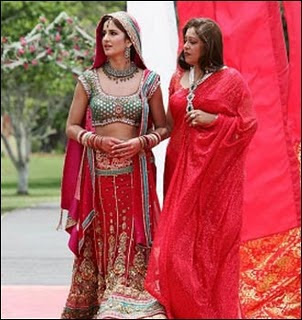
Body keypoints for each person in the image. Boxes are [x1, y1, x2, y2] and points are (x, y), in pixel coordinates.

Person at [145, 17, 258, 319]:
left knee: (208, 249)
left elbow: (248, 125)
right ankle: (185, 310)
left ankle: (209, 312)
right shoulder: (176, 79)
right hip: (179, 169)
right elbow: (169, 125)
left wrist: (216, 121)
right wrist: (140, 142)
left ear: (209, 46)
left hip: (214, 177)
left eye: (194, 41)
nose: (186, 46)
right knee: (172, 248)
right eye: (186, 39)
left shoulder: (230, 80)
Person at [60, 11, 168, 319]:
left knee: (132, 233)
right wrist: (95, 142)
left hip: (136, 175)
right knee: (102, 235)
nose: (106, 39)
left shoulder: (149, 81)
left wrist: (139, 143)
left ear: (130, 41)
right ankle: (104, 294)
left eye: (113, 33)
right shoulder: (89, 79)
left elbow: (163, 128)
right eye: (104, 33)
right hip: (98, 177)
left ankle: (129, 294)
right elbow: (71, 126)